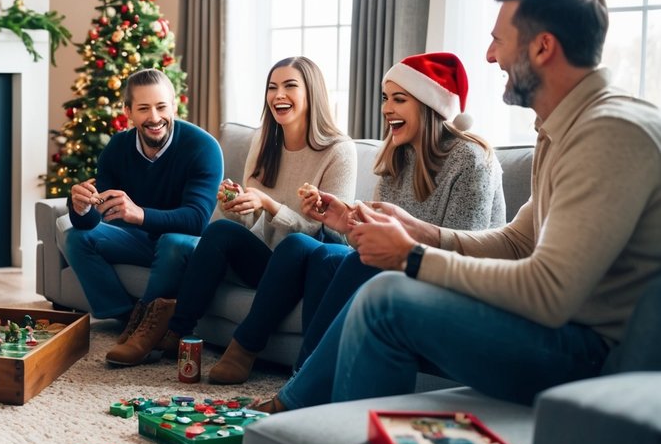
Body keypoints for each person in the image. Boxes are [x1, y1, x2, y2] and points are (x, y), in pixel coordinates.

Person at [262, 0, 661, 413]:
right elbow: (517, 240)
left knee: (386, 298)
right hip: (561, 331)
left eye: (499, 41)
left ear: (543, 47)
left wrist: (410, 256)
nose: (491, 57)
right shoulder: (562, 130)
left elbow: (549, 291)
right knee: (377, 285)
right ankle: (307, 417)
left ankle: (310, 423)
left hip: (589, 353)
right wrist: (418, 231)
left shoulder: (609, 132)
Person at [206, 52, 504, 384]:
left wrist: (389, 244)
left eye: (399, 100)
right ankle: (303, 376)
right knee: (326, 255)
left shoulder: (471, 160)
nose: (386, 109)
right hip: (400, 265)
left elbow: (461, 250)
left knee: (332, 256)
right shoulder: (396, 157)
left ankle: (304, 385)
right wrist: (345, 223)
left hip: (452, 279)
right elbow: (372, 236)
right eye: (385, 98)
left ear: (428, 105)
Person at [120, 56, 358, 366]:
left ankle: (243, 351)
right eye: (272, 87)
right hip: (267, 259)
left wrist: (270, 204)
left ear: (312, 93)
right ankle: (176, 331)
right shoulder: (263, 141)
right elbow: (250, 221)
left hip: (309, 264)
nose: (278, 95)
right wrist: (234, 203)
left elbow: (331, 233)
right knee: (220, 230)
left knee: (295, 245)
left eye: (290, 86)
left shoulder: (339, 150)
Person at [63, 68, 223, 365]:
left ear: (173, 106)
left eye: (162, 107)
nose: (155, 117)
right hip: (138, 240)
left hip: (187, 244)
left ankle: (148, 327)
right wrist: (81, 208)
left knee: (173, 242)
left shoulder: (202, 147)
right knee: (76, 237)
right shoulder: (117, 148)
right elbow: (97, 217)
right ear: (128, 112)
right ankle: (129, 320)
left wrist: (140, 215)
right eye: (144, 108)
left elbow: (198, 220)